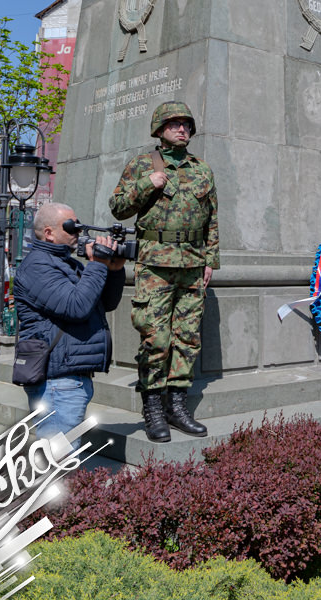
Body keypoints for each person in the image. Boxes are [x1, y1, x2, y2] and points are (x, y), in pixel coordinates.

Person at [111, 101, 218, 443]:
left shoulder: (202, 170)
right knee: (155, 339)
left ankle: (177, 406)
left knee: (186, 339)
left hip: (192, 264)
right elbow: (118, 208)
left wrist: (210, 260)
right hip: (155, 264)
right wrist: (148, 183)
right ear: (159, 129)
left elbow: (212, 218)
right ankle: (153, 408)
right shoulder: (143, 165)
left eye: (186, 124)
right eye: (174, 124)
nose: (181, 129)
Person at [14, 203, 126, 443]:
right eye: (71, 227)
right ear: (49, 233)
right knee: (58, 461)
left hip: (70, 378)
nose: (78, 233)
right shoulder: (37, 266)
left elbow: (103, 304)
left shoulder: (67, 264)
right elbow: (76, 307)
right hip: (56, 382)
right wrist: (97, 264)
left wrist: (114, 270)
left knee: (62, 458)